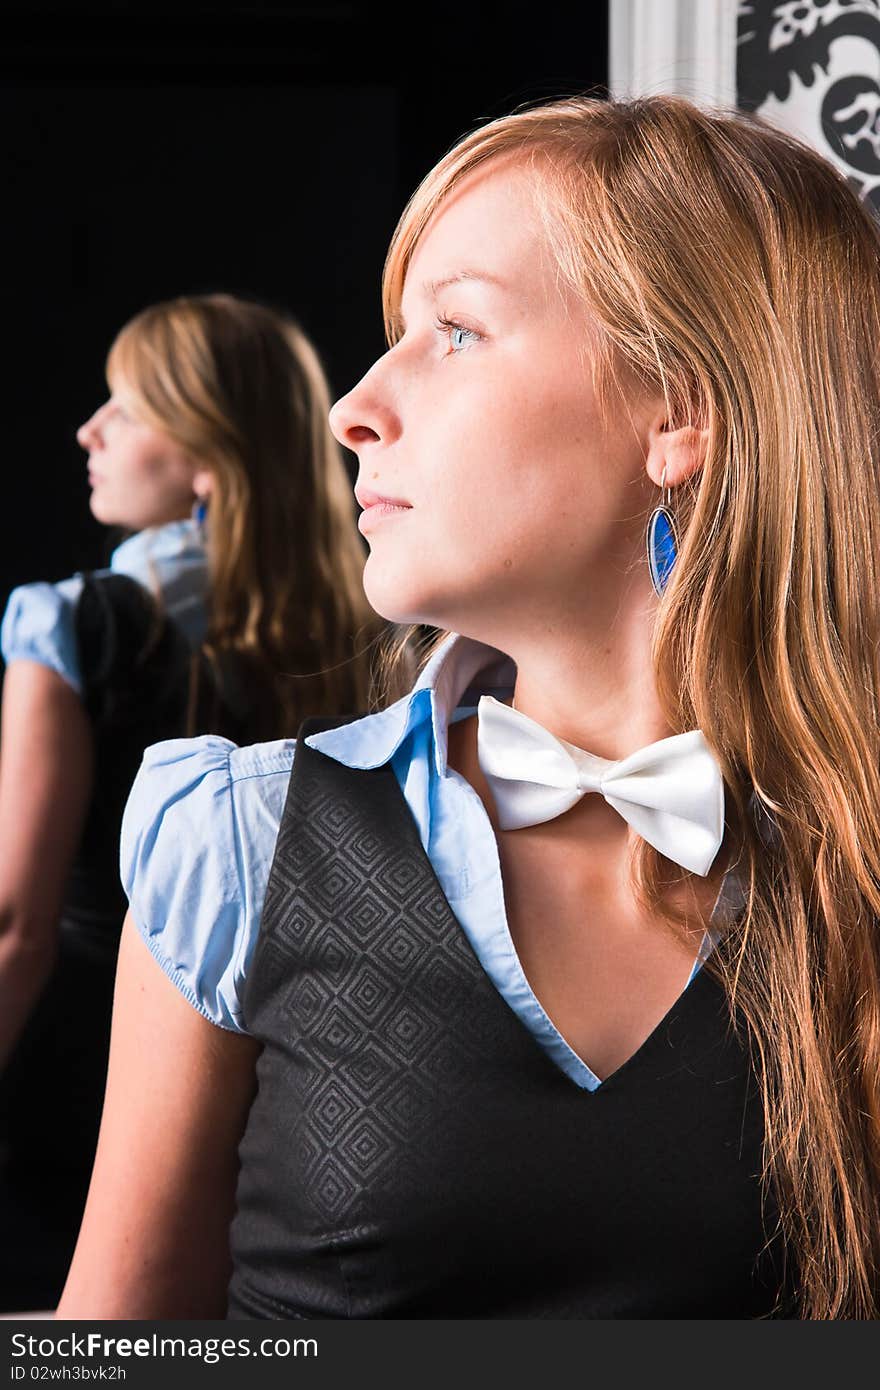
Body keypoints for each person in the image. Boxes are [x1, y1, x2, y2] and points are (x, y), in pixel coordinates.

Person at [57, 96, 880, 1320]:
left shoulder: (853, 867)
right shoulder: (235, 839)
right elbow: (117, 1351)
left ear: (679, 411)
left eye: (453, 331)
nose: (354, 408)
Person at [0, 293, 380, 1312]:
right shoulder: (372, 646)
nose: (91, 430)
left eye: (126, 405)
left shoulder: (74, 627)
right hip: (286, 1101)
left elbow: (13, 926)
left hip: (67, 1089)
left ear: (207, 458)